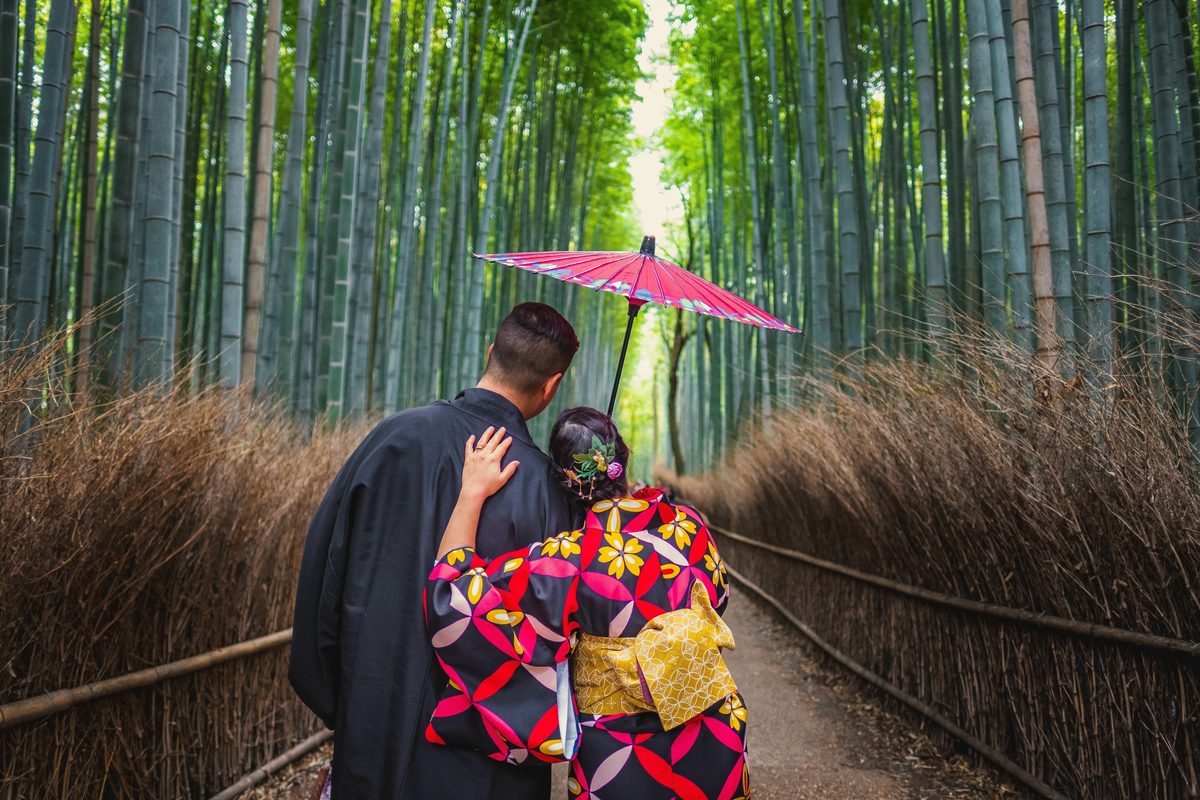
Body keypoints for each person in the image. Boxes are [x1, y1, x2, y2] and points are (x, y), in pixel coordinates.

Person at [289, 302, 581, 800]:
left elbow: (325, 575)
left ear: (490, 352)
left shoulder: (393, 439)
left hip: (374, 733)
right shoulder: (550, 490)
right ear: (552, 384)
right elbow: (563, 639)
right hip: (488, 765)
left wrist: (351, 707)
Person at [425, 409, 751, 799]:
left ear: (564, 482)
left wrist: (471, 493)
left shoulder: (567, 559)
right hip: (712, 723)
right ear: (625, 457)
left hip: (620, 746)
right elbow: (718, 597)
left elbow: (454, 601)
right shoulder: (690, 526)